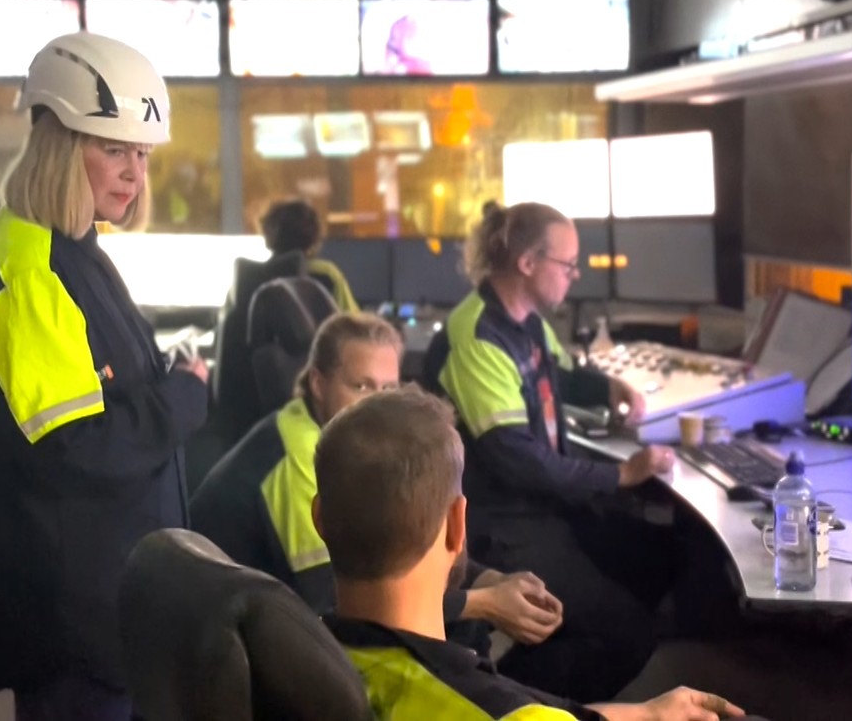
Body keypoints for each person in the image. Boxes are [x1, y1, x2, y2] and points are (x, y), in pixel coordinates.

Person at [0, 32, 211, 721]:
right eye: (113, 149)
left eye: (142, 154)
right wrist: (184, 395)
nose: (134, 174)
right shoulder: (31, 271)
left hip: (110, 607)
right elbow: (79, 447)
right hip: (75, 627)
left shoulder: (72, 250)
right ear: (60, 145)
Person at [315, 387, 743, 721]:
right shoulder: (497, 710)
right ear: (458, 524)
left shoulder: (301, 651)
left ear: (319, 518)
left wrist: (646, 713)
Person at [422, 200, 676, 703]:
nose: (574, 275)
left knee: (657, 554)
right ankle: (506, 701)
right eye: (568, 264)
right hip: (501, 525)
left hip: (545, 508)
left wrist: (607, 388)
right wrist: (620, 476)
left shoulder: (527, 323)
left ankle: (556, 647)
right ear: (527, 263)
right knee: (628, 634)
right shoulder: (478, 336)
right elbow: (517, 460)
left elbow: (558, 374)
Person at [190, 312, 564, 648]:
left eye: (389, 389)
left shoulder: (350, 447)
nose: (379, 404)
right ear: (318, 383)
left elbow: (403, 544)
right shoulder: (302, 460)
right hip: (230, 647)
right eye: (362, 386)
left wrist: (490, 581)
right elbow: (336, 603)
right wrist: (484, 605)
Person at [258, 197, 359, 312]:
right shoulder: (326, 273)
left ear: (267, 236)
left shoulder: (253, 276)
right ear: (314, 236)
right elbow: (351, 319)